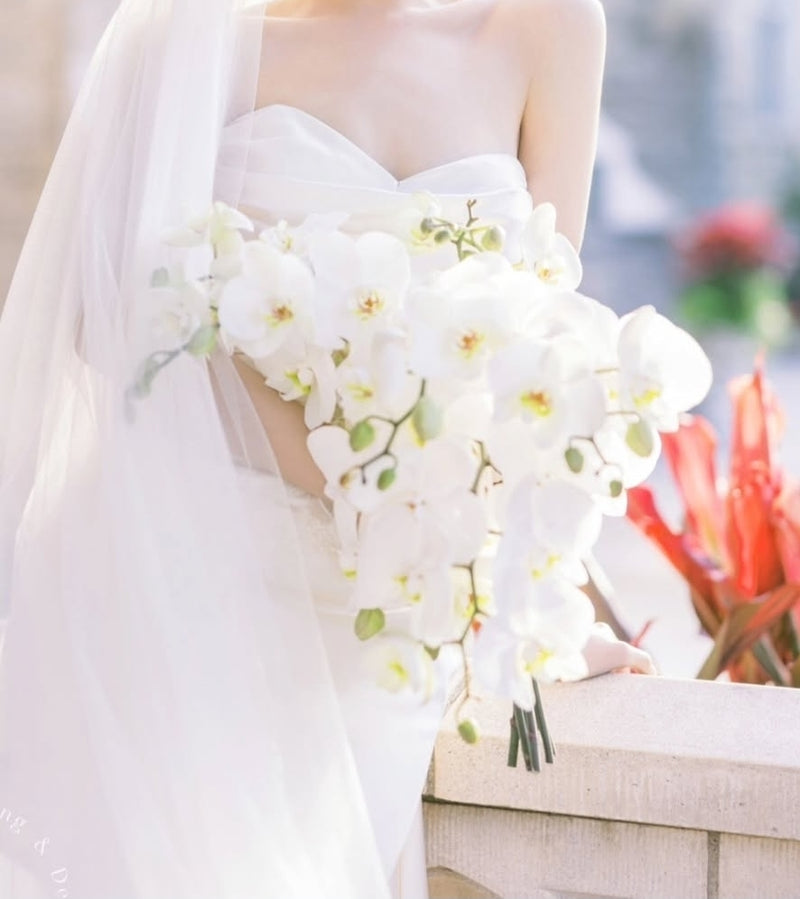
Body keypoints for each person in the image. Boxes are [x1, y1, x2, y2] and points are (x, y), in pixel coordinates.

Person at [0, 1, 653, 897]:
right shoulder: (187, 36)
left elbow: (541, 340)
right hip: (191, 576)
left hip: (400, 606)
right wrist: (379, 494)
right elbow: (107, 312)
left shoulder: (551, 26)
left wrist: (538, 612)